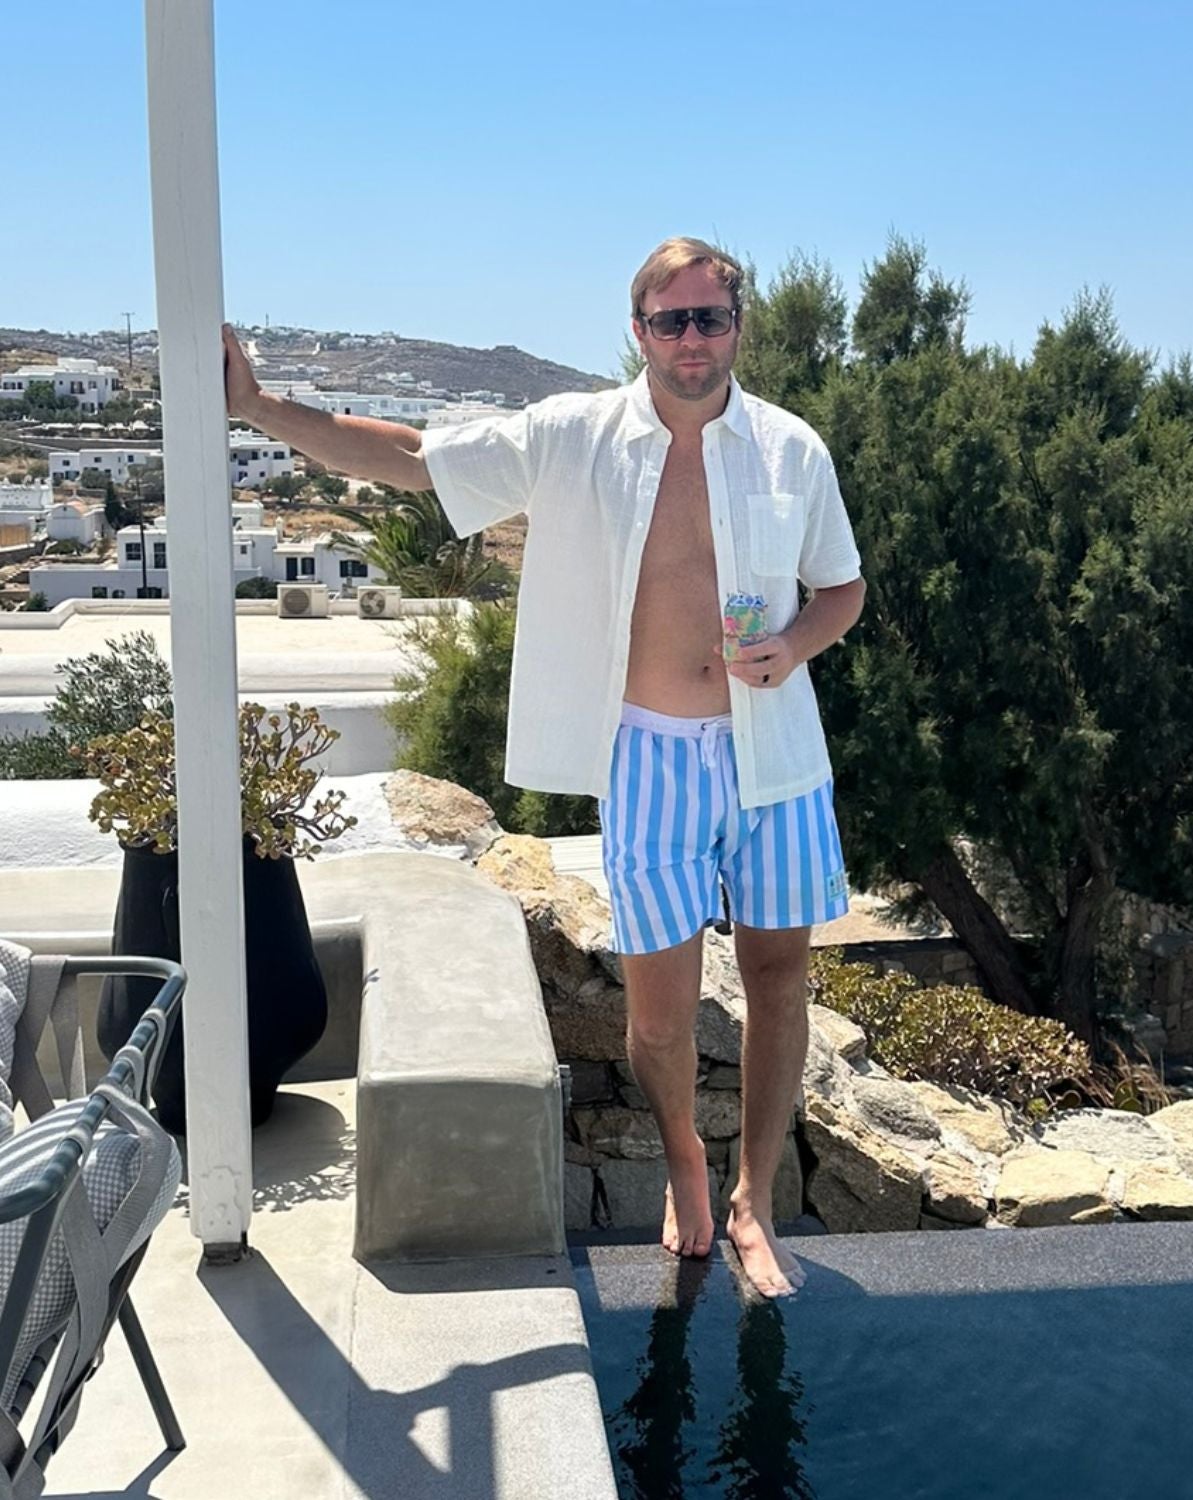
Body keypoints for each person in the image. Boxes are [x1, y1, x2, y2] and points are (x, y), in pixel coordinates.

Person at [221, 237, 866, 1297]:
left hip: (777, 757)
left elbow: (841, 588)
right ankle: (686, 1165)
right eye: (672, 320)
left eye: (710, 319)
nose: (692, 339)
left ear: (738, 327)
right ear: (639, 330)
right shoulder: (576, 435)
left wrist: (794, 645)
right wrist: (259, 408)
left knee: (778, 982)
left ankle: (755, 1195)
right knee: (657, 1018)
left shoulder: (792, 450)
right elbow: (413, 456)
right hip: (648, 756)